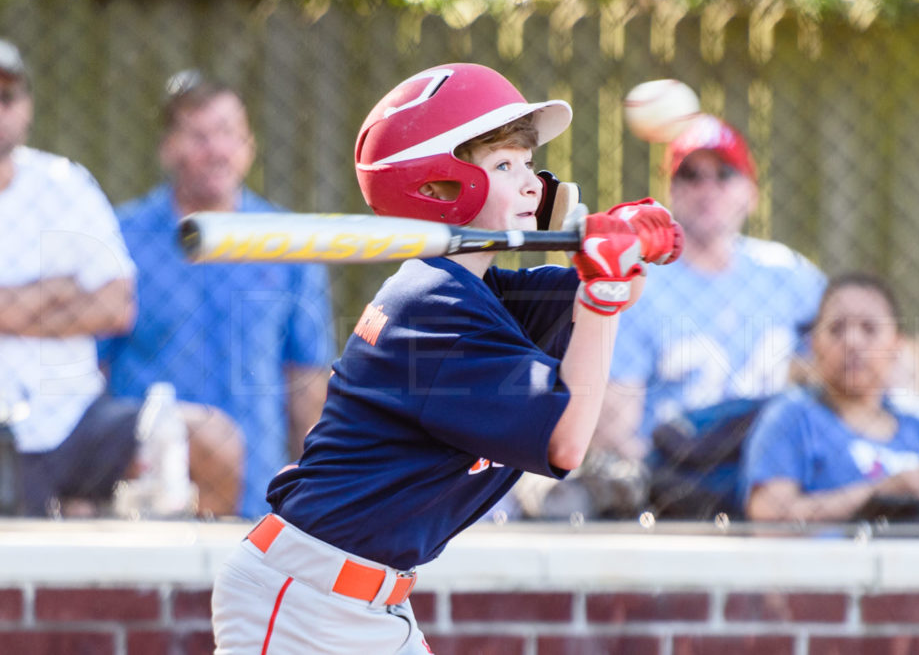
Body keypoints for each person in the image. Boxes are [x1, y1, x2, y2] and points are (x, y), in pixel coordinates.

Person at [210, 62, 682, 654]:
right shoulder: (430, 310)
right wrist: (605, 287)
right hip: (305, 600)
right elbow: (565, 442)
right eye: (504, 166)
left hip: (371, 604)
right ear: (435, 188)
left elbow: (609, 297)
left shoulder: (483, 295)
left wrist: (618, 237)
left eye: (529, 165)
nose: (532, 184)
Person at [514, 114, 826, 520]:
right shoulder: (643, 282)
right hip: (675, 476)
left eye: (724, 174)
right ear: (672, 191)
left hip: (771, 468)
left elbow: (848, 370)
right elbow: (613, 431)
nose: (707, 189)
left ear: (752, 192)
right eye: (691, 175)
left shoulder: (789, 275)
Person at [98, 72, 336, 519]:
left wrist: (318, 492)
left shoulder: (287, 242)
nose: (217, 150)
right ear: (168, 147)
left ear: (249, 146)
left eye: (228, 133)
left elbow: (306, 381)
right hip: (146, 497)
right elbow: (94, 368)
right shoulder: (121, 239)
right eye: (199, 135)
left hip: (258, 499)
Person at [742, 271, 919, 525]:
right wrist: (878, 493)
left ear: (895, 345)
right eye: (836, 328)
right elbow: (768, 513)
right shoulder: (794, 416)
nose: (852, 342)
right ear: (815, 343)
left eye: (869, 328)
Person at [0, 38, 139, 516]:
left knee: (205, 440)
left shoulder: (63, 183)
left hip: (74, 419)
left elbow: (118, 307)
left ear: (27, 108)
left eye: (7, 98)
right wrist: (59, 287)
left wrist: (13, 309)